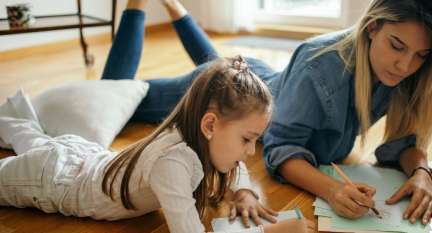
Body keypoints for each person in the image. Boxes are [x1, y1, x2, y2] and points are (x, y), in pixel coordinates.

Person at [103, 0, 432, 226]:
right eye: (396, 46)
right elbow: (280, 148)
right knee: (115, 91)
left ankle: (175, 7)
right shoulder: (318, 64)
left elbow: (406, 143)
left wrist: (423, 174)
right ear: (371, 29)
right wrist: (333, 191)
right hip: (235, 97)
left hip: (256, 78)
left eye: (420, 55)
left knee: (217, 63)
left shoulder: (409, 71)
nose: (405, 64)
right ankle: (137, 4)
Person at [0, 1, 316, 233]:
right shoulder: (173, 164)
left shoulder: (198, 133)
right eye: (248, 139)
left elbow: (236, 168)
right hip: (54, 182)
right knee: (34, 154)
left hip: (80, 155)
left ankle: (12, 121)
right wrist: (270, 231)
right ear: (209, 124)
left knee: (37, 141)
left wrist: (244, 192)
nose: (250, 152)